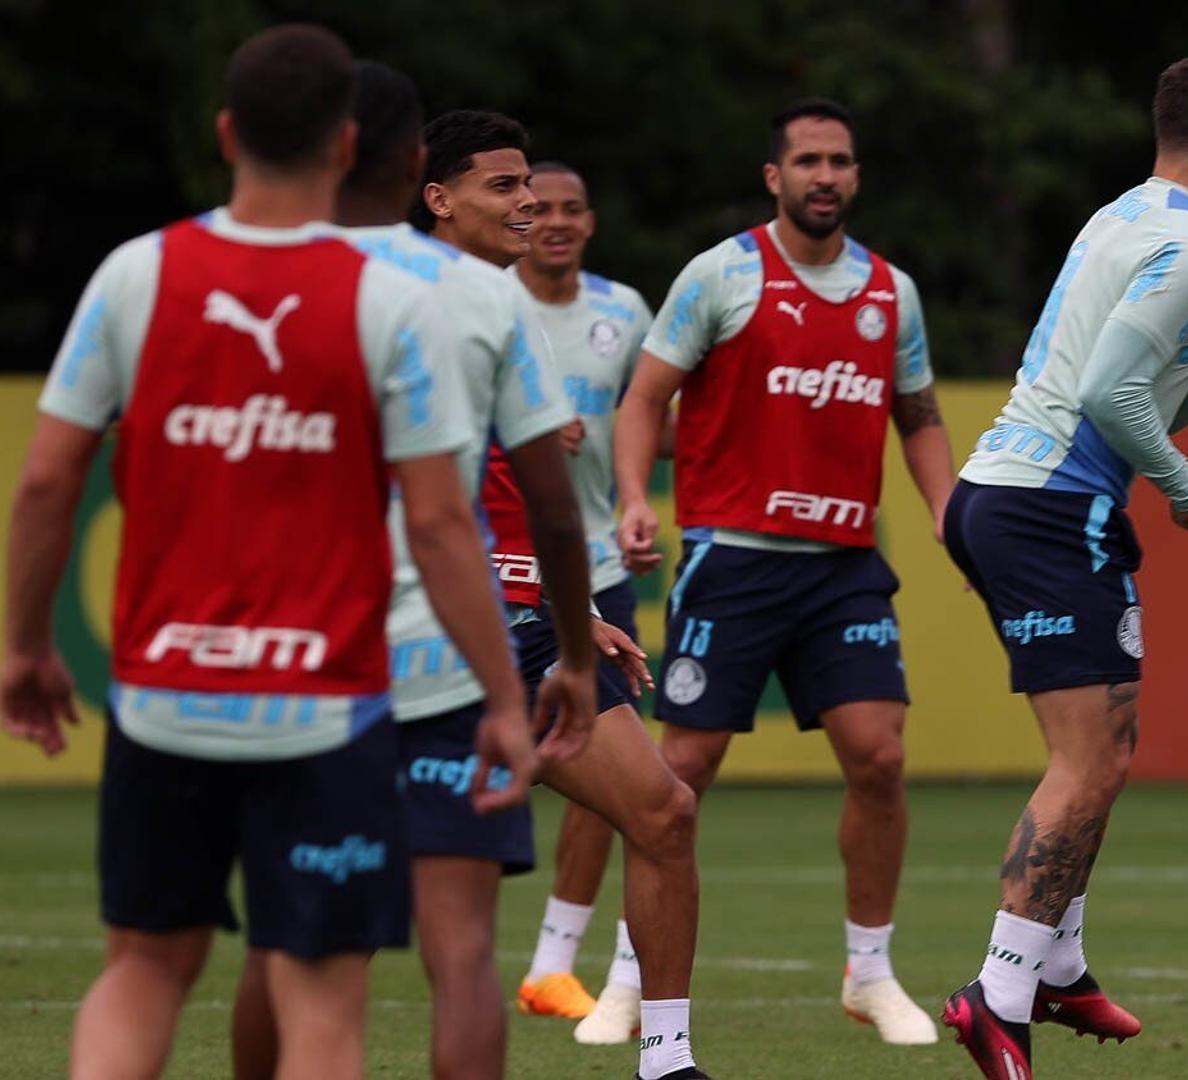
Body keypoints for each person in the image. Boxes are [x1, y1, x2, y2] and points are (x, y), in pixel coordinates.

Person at [0, 27, 533, 1080]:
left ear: (226, 132)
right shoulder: (396, 299)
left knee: (143, 968)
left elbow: (47, 480)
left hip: (162, 698)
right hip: (324, 707)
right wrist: (502, 697)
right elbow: (436, 522)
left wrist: (25, 646)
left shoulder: (136, 272)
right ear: (347, 144)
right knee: (321, 995)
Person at [229, 92, 705, 1080]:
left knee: (660, 813)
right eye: (507, 187)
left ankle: (667, 1060)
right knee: (373, 925)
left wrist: (569, 623)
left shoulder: (491, 301)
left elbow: (503, 501)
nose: (531, 203)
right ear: (434, 195)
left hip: (501, 623)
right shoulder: (429, 297)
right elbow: (459, 503)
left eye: (533, 183)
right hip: (423, 641)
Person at [940, 52, 1188, 1080]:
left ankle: (1056, 965)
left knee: (1113, 745)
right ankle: (998, 996)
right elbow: (1108, 399)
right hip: (1047, 506)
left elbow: (1146, 395)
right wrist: (1184, 488)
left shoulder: (1121, 218)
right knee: (1086, 761)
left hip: (1020, 497)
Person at [613, 97, 953, 1046]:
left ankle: (871, 973)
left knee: (880, 757)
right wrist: (635, 498)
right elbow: (644, 397)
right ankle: (627, 972)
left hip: (844, 565)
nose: (825, 176)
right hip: (731, 557)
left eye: (840, 161)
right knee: (680, 770)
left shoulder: (893, 291)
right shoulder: (720, 275)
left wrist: (949, 513)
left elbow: (917, 416)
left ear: (856, 175)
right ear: (776, 176)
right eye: (806, 160)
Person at [507, 161, 667, 1041]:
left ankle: (550, 965)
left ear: (591, 221)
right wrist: (523, 430)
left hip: (593, 562)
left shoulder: (624, 311)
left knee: (604, 776)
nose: (556, 223)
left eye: (573, 208)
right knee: (495, 755)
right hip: (495, 568)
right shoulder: (480, 298)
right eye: (542, 210)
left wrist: (637, 488)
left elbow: (648, 414)